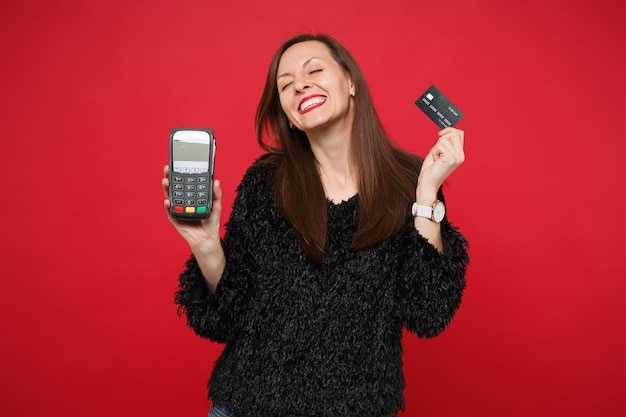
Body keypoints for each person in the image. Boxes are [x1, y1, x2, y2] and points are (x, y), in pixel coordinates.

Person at [162, 33, 468, 417]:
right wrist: (206, 243)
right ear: (288, 115)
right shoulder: (265, 183)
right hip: (246, 406)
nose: (300, 85)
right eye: (286, 85)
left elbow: (428, 313)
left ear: (351, 82)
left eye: (314, 70)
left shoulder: (410, 181)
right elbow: (223, 319)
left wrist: (426, 194)